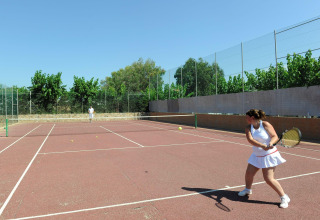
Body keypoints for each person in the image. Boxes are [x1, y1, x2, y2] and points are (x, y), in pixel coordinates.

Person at [238, 109, 290, 208]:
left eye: (247, 117)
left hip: (269, 155)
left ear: (252, 117)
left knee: (268, 179)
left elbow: (275, 136)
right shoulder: (248, 127)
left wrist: (270, 143)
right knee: (249, 174)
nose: (246, 119)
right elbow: (250, 140)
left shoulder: (265, 124)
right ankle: (247, 189)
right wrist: (262, 145)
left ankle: (284, 197)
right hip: (257, 155)